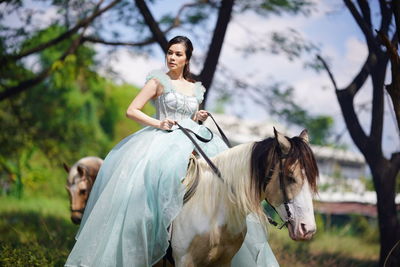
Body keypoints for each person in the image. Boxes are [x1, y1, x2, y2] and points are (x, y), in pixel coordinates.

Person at [65, 36, 278, 267]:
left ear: (187, 59)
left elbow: (188, 117)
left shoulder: (195, 88)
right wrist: (158, 123)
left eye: (178, 54)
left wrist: (196, 117)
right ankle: (161, 234)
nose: (172, 57)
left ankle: (216, 232)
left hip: (192, 139)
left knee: (219, 180)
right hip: (163, 139)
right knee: (162, 179)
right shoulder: (158, 81)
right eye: (170, 52)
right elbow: (132, 110)